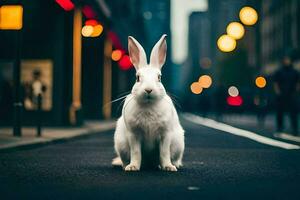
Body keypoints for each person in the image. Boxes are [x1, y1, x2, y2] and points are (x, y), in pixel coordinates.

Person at [273, 56, 300, 135]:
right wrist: (278, 91)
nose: (286, 61)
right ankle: (280, 127)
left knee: (293, 112)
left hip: (291, 94)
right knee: (280, 112)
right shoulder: (279, 71)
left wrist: (296, 91)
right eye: (285, 60)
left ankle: (295, 128)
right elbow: (275, 82)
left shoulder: (294, 72)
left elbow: (298, 82)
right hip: (282, 94)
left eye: (288, 60)